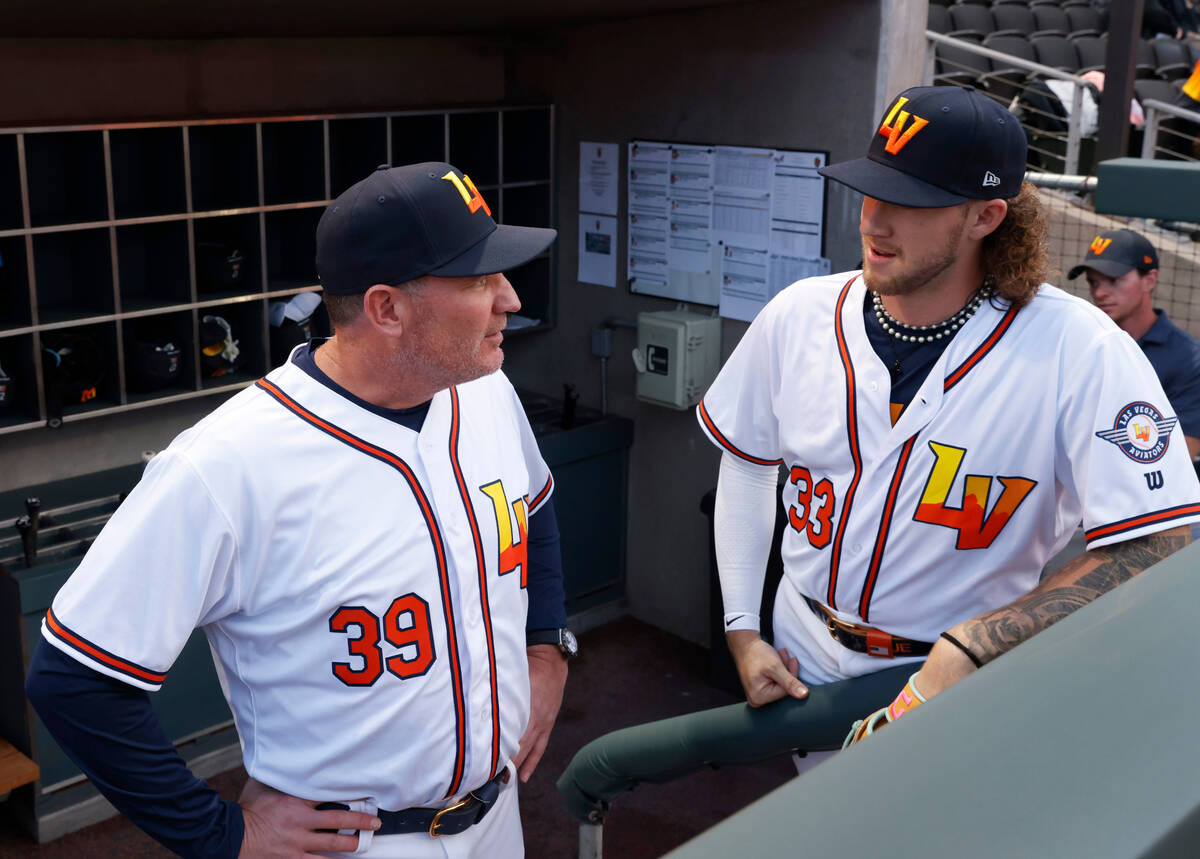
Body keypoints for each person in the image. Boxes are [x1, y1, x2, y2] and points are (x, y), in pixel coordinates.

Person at [25, 161, 577, 858]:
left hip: (500, 819)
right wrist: (221, 833)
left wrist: (548, 643)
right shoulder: (227, 464)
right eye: (478, 280)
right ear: (386, 308)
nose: (509, 296)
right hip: (359, 843)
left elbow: (534, 508)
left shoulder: (483, 388)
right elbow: (72, 677)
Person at [696, 85, 1200, 743]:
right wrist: (742, 626)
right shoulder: (797, 313)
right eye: (872, 189)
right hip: (800, 649)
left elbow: (1161, 539)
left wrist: (972, 646)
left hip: (955, 679)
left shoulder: (1081, 348)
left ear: (986, 217)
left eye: (909, 202)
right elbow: (749, 461)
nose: (873, 221)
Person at [1069, 227, 1200, 459]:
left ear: (1149, 280)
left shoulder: (1190, 358)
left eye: (1114, 280)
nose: (1099, 293)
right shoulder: (1079, 345)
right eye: (1093, 282)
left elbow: (1182, 453)